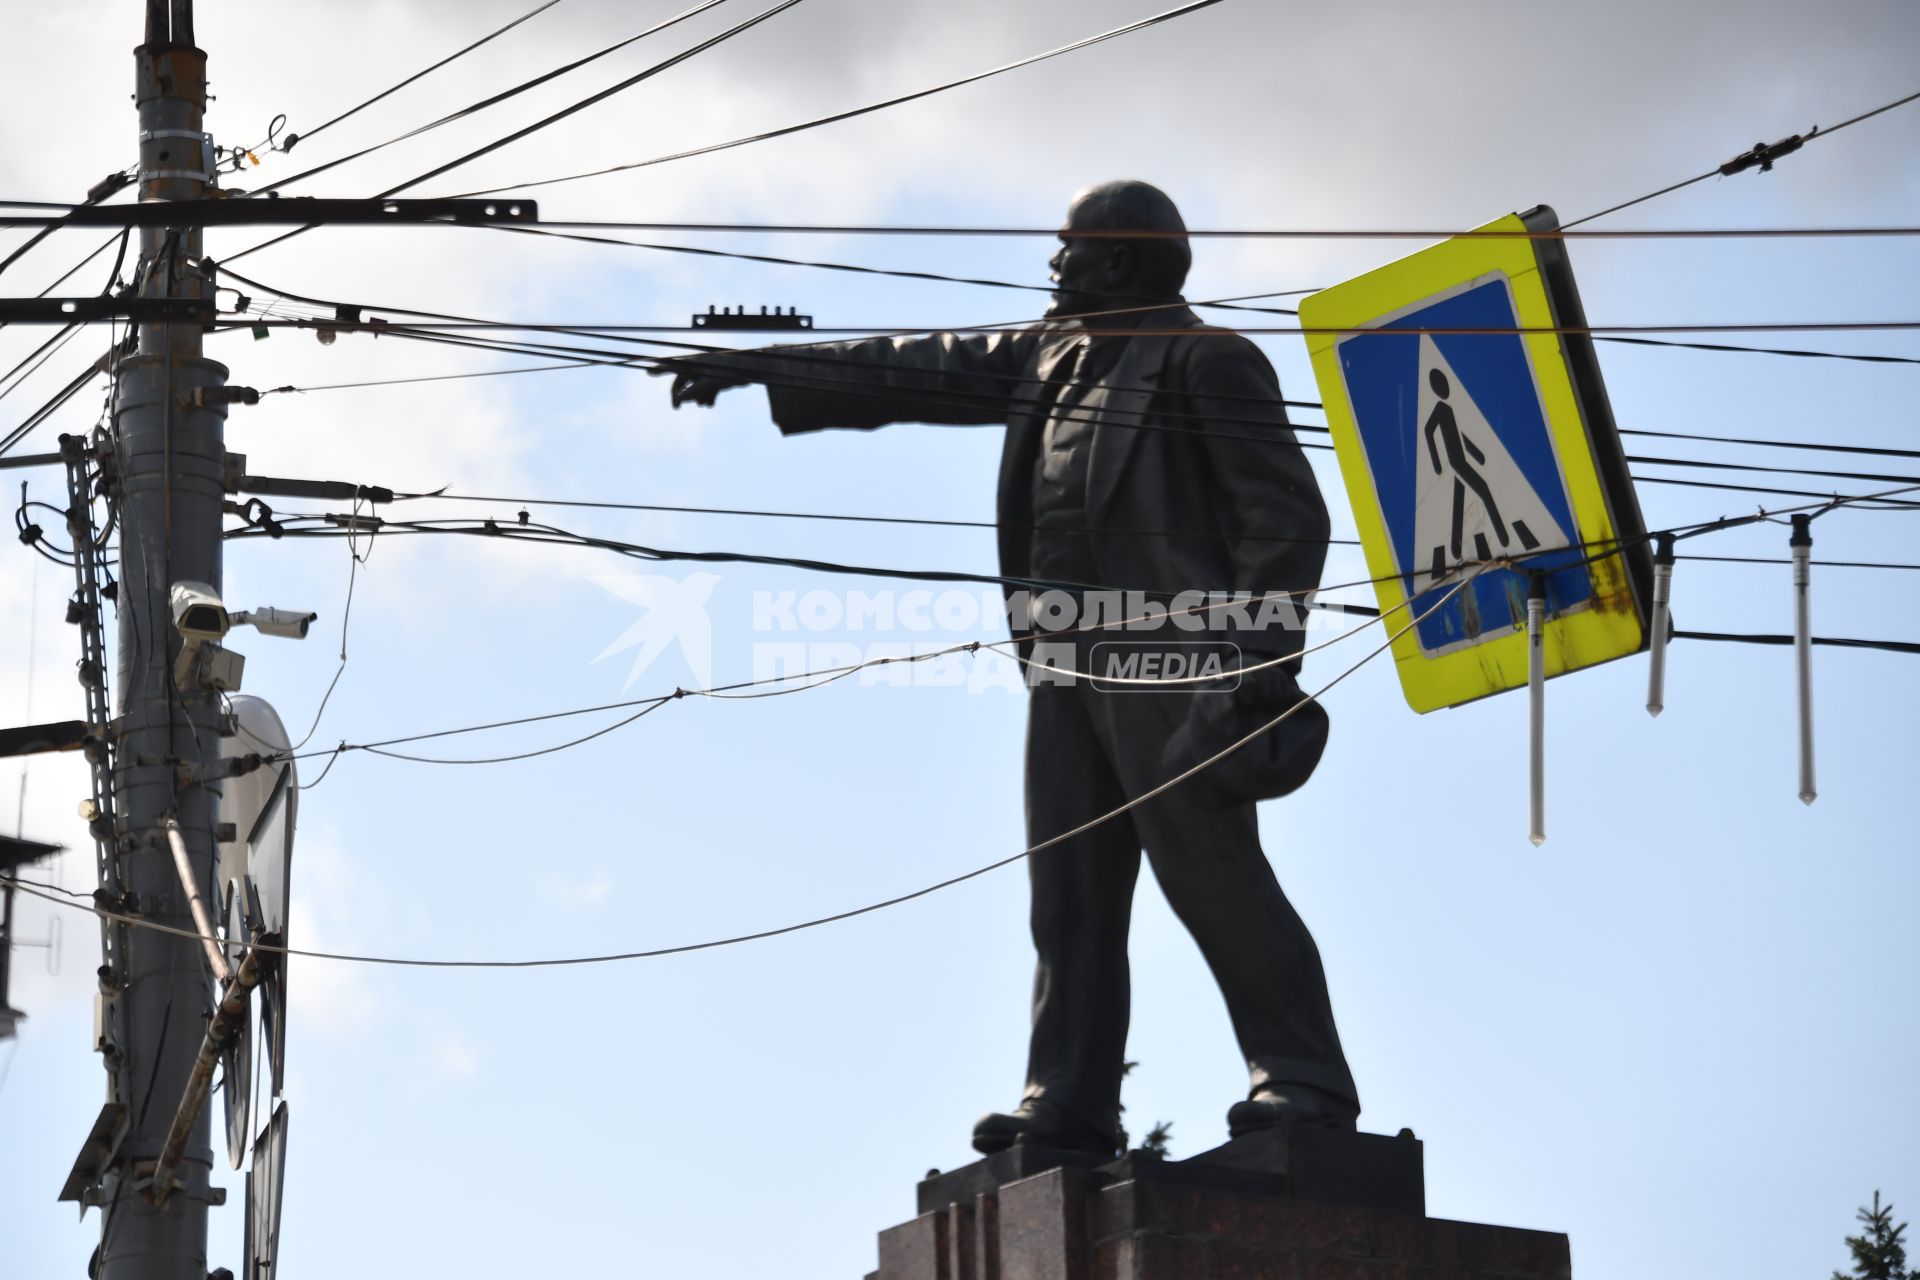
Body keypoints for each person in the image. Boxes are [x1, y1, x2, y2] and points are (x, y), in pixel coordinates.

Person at [664, 180, 1358, 1156]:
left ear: (1116, 258)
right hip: (1067, 667)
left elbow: (1283, 515)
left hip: (1175, 664)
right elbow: (921, 367)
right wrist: (767, 364)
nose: (1054, 263)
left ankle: (1303, 1078)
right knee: (1068, 894)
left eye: (1069, 246)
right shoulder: (1051, 353)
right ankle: (1069, 1093)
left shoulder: (1209, 359)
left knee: (1214, 877)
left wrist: (1253, 664)